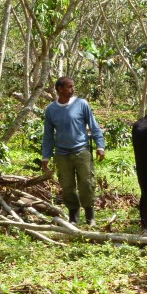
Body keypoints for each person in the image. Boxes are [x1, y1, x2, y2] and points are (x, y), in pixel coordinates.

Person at [42, 76, 105, 226]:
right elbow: (48, 135)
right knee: (67, 186)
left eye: (73, 86)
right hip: (62, 154)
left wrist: (100, 146)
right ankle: (73, 218)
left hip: (82, 151)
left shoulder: (82, 104)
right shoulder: (51, 110)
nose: (72, 89)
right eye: (69, 86)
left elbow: (93, 125)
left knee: (87, 183)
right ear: (60, 89)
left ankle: (90, 217)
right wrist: (46, 157)